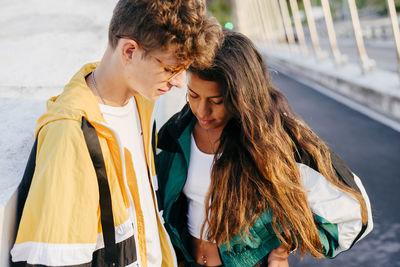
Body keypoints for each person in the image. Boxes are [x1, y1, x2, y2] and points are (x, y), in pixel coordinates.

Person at [10, 1, 222, 266]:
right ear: (129, 51)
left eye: (182, 70)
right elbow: (56, 259)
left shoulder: (141, 102)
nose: (179, 82)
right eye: (170, 69)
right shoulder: (72, 133)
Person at [156, 29, 373, 267]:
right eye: (193, 95)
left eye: (217, 101)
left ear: (242, 97)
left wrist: (283, 242)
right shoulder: (174, 134)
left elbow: (355, 213)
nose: (202, 111)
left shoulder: (276, 141)